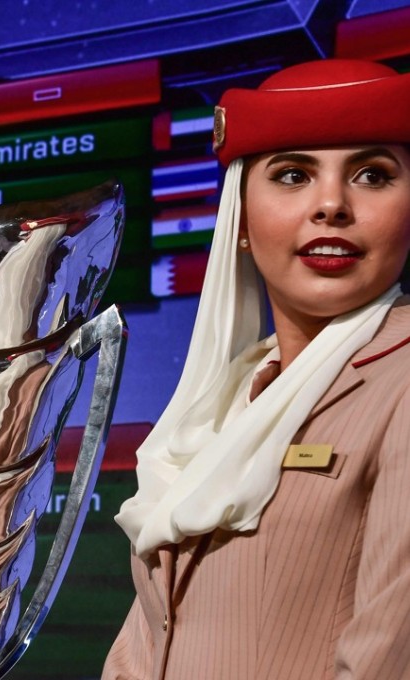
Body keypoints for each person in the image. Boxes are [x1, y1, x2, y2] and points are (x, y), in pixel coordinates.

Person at [103, 59, 410, 679]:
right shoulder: (222, 399)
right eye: (293, 174)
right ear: (239, 218)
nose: (331, 205)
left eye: (372, 175)